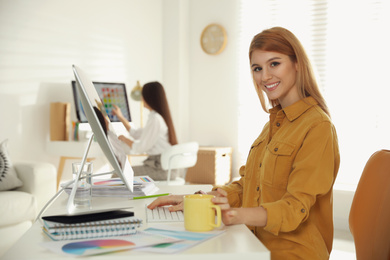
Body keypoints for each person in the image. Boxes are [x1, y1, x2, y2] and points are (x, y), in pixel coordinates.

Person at [148, 27, 340, 260]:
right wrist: (200, 199)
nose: (265, 76)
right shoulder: (272, 125)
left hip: (292, 252)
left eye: (274, 64)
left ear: (297, 63)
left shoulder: (317, 126)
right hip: (254, 243)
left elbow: (294, 208)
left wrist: (236, 215)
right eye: (257, 68)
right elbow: (248, 185)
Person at [112, 81, 178, 181]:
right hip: (163, 167)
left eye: (142, 95)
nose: (141, 99)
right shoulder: (157, 117)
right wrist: (121, 117)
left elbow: (140, 147)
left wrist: (125, 139)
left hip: (161, 169)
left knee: (117, 175)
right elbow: (136, 133)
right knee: (120, 173)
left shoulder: (155, 120)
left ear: (148, 97)